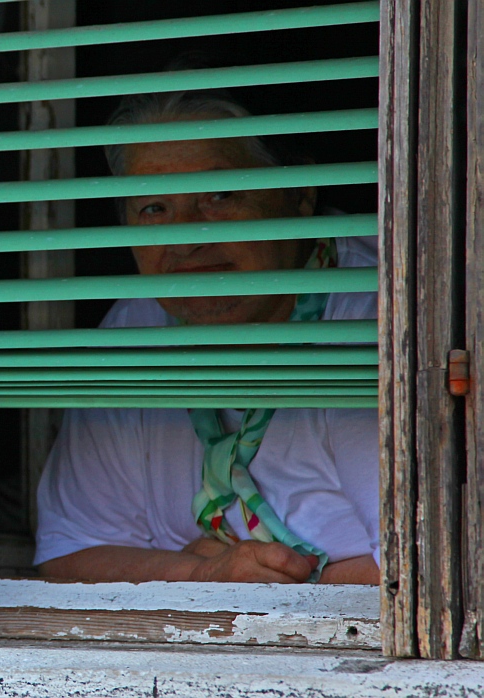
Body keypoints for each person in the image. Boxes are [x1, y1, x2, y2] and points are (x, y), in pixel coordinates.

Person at [33, 91, 380, 585]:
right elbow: (72, 553)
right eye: (154, 208)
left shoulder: (378, 319)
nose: (186, 240)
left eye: (219, 195)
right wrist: (202, 576)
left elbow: (428, 570)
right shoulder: (135, 330)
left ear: (301, 194)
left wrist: (268, 588)